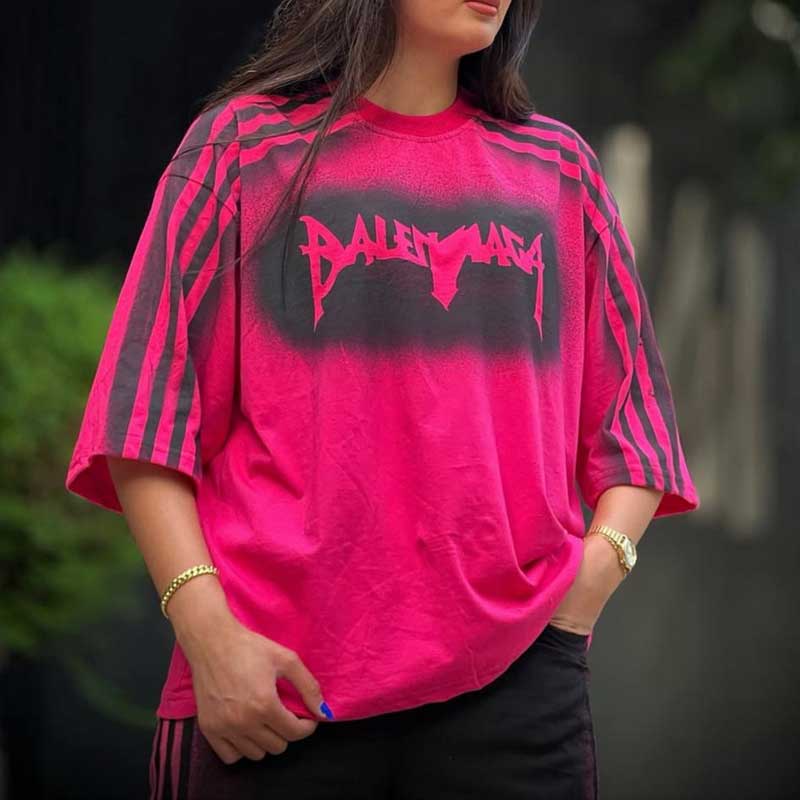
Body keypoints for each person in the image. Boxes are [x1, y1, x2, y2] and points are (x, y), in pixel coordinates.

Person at [64, 0, 701, 798]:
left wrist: (585, 590)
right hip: (270, 695)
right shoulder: (243, 150)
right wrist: (207, 632)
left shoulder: (557, 172)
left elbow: (636, 431)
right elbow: (145, 412)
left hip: (516, 696)